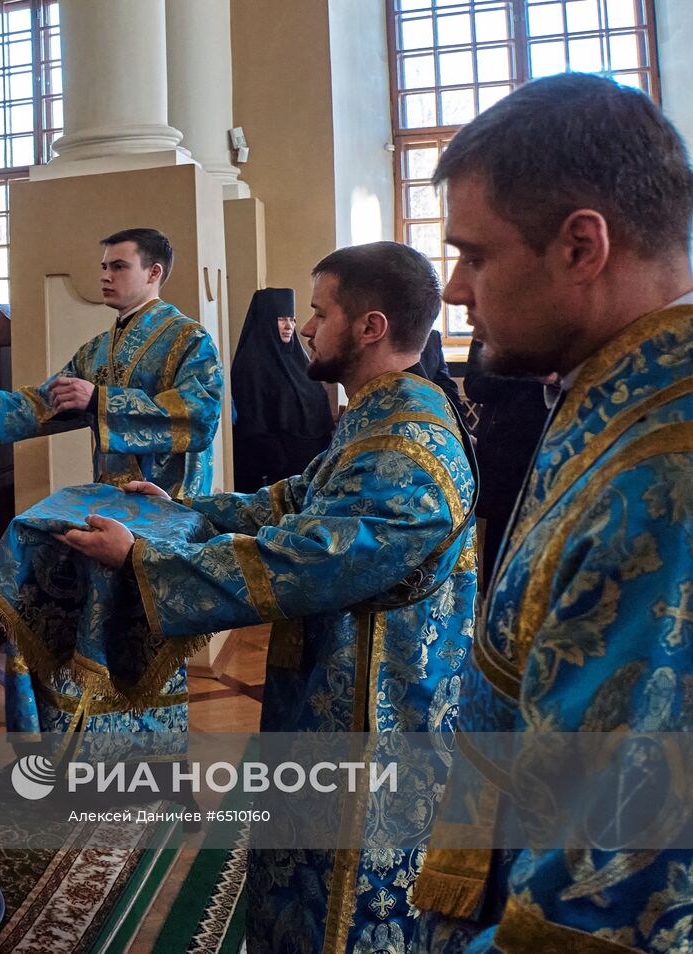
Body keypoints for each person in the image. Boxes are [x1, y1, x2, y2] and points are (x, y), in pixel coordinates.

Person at [61, 241, 478, 954]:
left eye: (320, 312)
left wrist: (148, 560)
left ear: (370, 327)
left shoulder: (407, 441)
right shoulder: (383, 411)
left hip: (375, 726)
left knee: (349, 911)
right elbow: (297, 498)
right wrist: (191, 511)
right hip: (330, 698)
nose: (307, 328)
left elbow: (312, 560)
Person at [411, 73, 693, 952]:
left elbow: (609, 888)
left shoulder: (664, 481)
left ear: (581, 246)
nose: (455, 290)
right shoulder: (612, 392)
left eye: (474, 254)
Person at [0, 227, 224, 736]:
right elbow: (45, 403)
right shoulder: (100, 348)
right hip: (106, 509)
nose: (105, 275)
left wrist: (101, 401)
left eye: (119, 266)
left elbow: (200, 417)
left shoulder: (189, 340)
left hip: (164, 514)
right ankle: (66, 752)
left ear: (154, 273)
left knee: (139, 639)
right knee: (77, 625)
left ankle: (140, 760)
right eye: (103, 265)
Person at [460, 338, 550, 588]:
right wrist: (521, 369)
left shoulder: (553, 328)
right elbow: (475, 387)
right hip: (502, 458)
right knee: (498, 550)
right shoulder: (487, 333)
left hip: (545, 452)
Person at [229, 286, 335, 492]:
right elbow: (253, 424)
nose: (289, 326)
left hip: (311, 464)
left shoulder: (298, 358)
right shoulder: (252, 364)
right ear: (267, 320)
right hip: (277, 472)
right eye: (281, 319)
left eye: (292, 319)